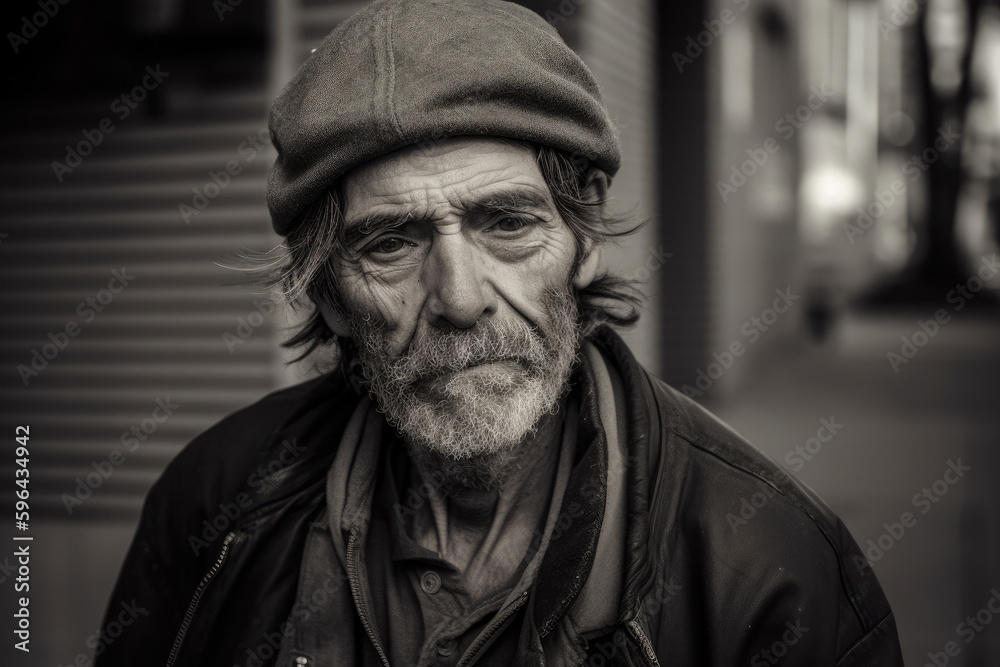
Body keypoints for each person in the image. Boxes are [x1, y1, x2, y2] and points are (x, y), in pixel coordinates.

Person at [98, 0, 904, 665]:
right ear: (332, 295)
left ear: (584, 237)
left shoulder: (770, 572)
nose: (459, 298)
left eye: (507, 224)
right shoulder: (215, 504)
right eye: (391, 244)